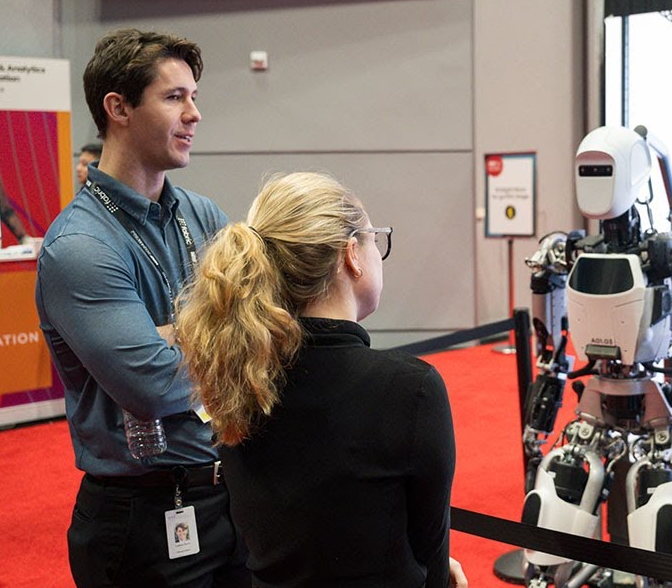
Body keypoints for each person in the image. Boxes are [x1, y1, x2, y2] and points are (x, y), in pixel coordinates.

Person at [175, 172, 467, 588]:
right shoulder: (410, 388)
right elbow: (431, 554)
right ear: (352, 255)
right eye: (374, 239)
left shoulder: (237, 375)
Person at [35, 28, 248, 587]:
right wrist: (224, 337)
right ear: (119, 108)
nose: (194, 114)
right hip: (142, 517)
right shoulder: (80, 246)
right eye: (174, 97)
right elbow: (153, 386)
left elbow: (261, 332)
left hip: (233, 497)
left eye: (194, 96)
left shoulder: (202, 215)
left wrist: (170, 334)